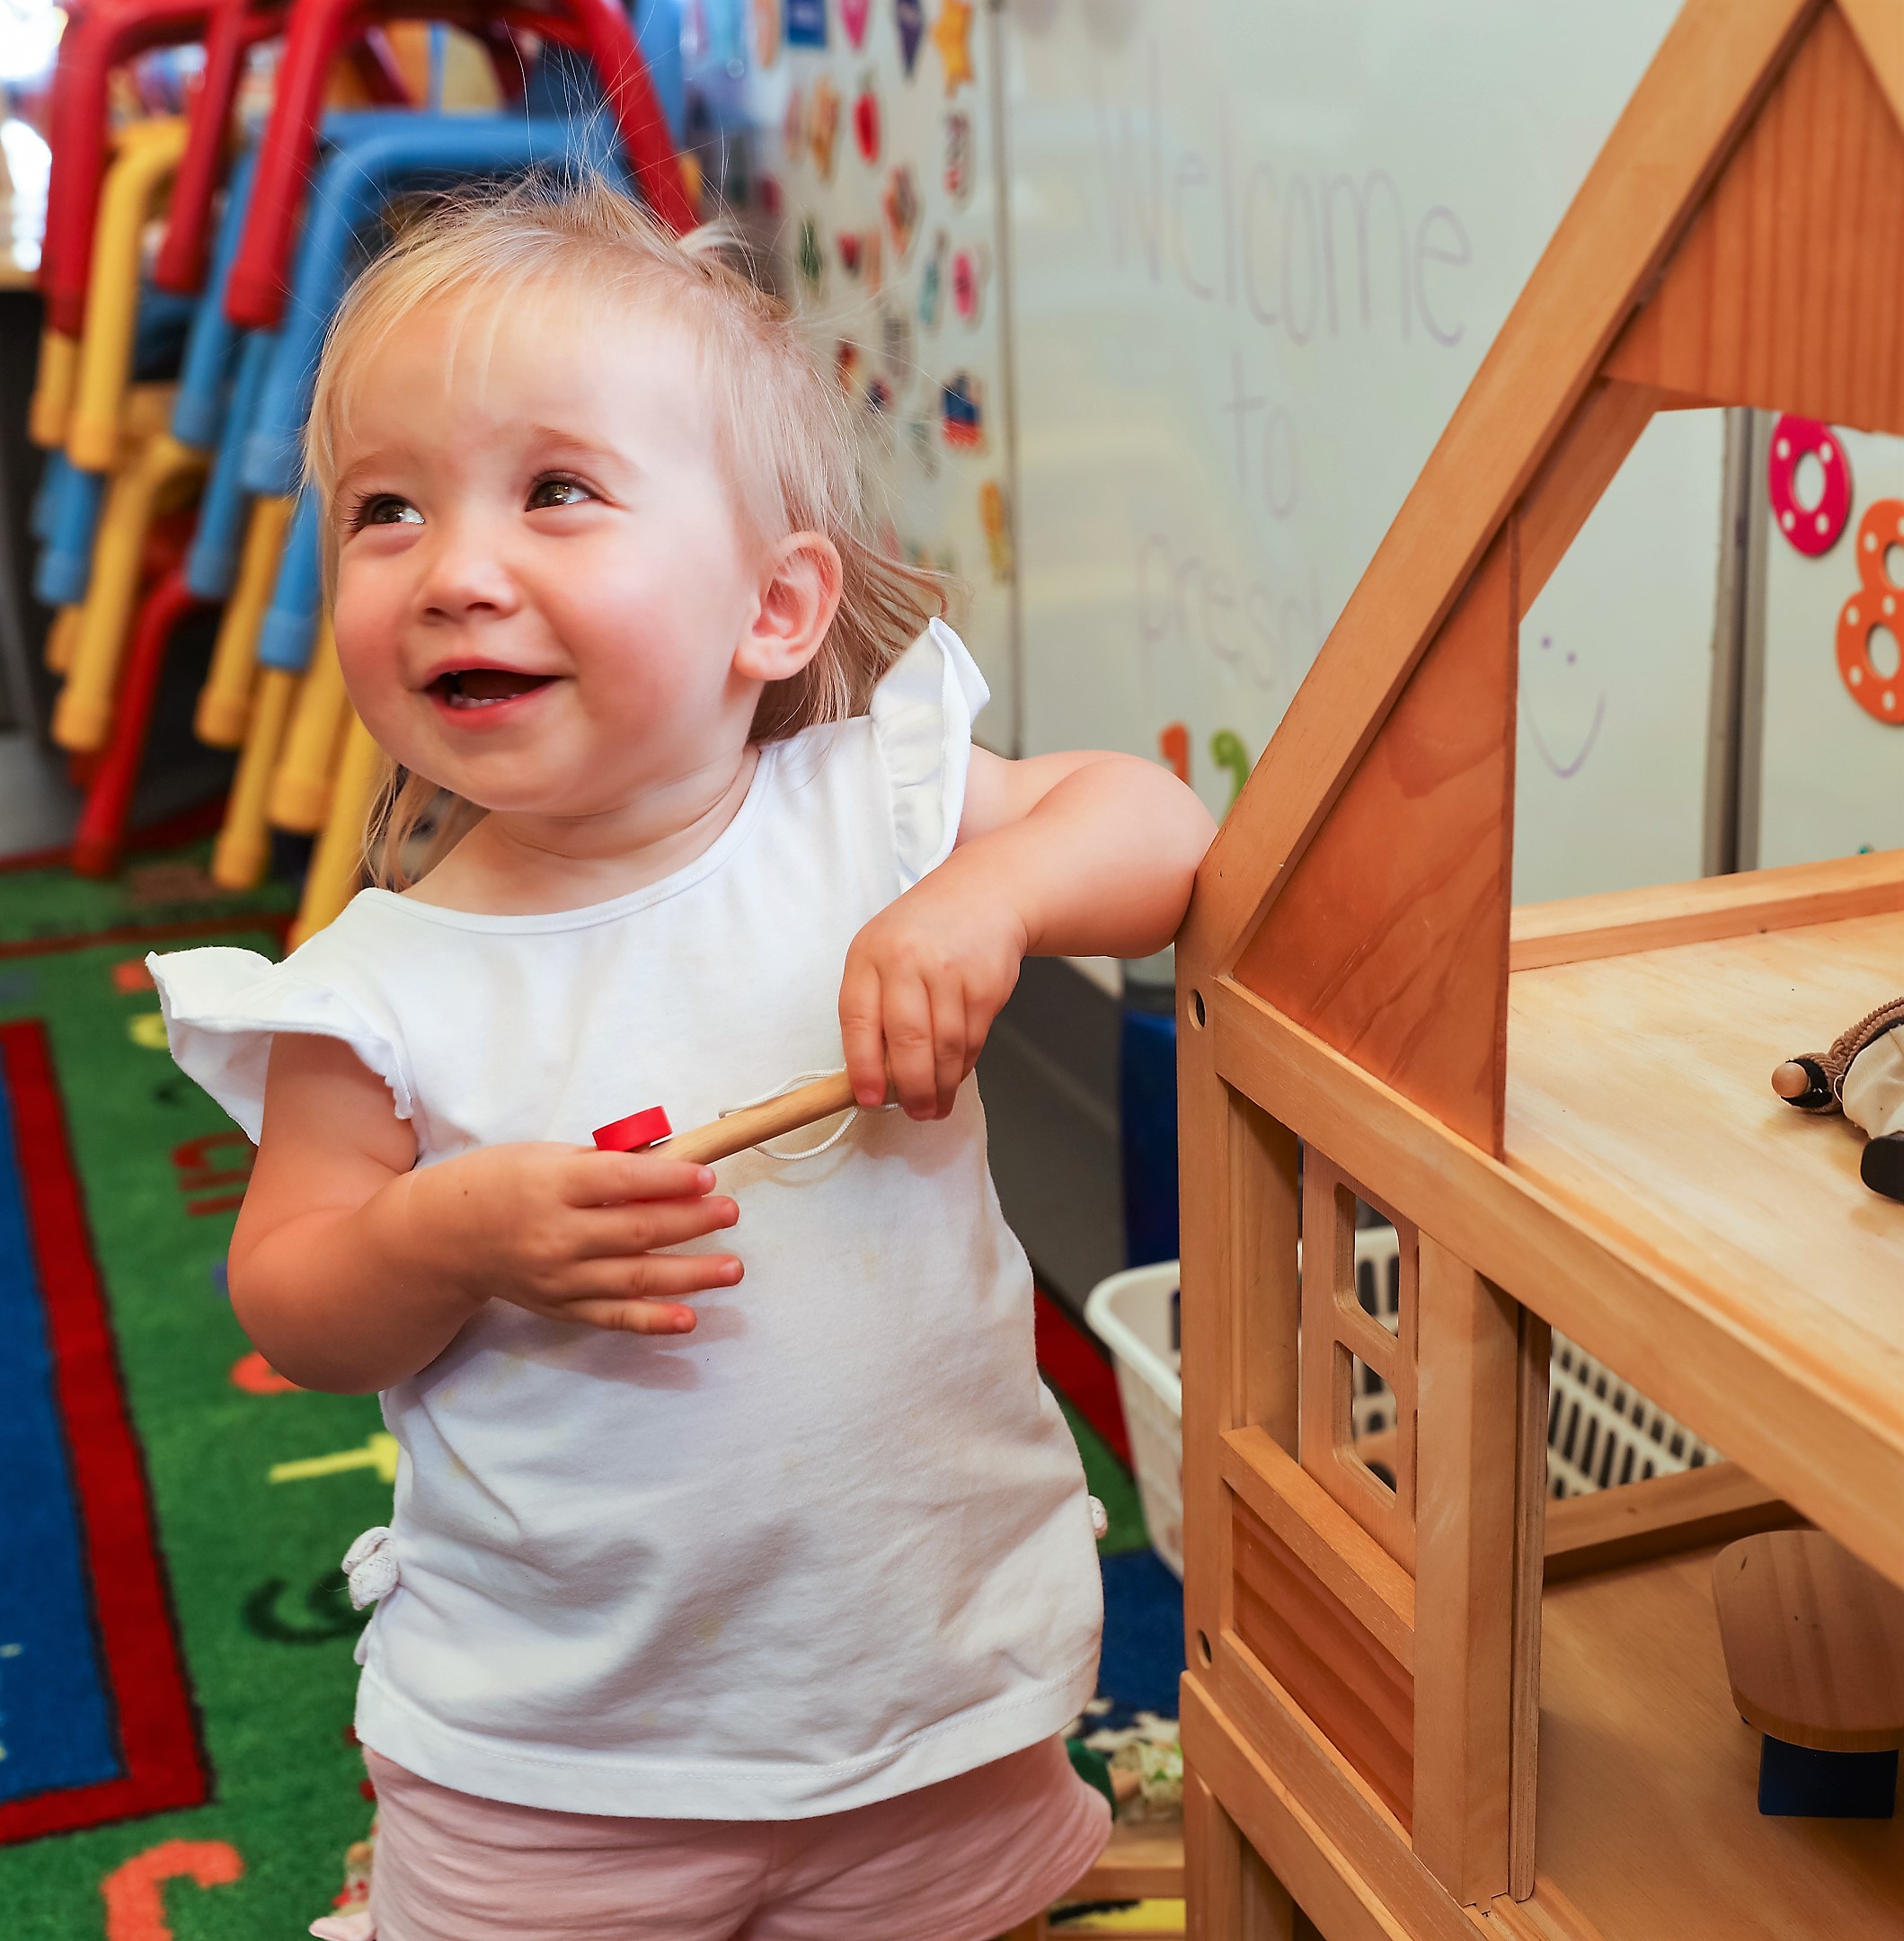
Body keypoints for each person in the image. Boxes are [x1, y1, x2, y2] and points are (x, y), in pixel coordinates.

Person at [150, 176, 1214, 1941]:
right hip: (557, 1757)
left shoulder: (869, 810)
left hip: (920, 1685)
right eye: (383, 513)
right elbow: (295, 1305)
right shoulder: (376, 988)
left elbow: (1157, 831)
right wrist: (442, 1239)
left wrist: (989, 901)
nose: (456, 570)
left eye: (555, 492)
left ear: (776, 610)